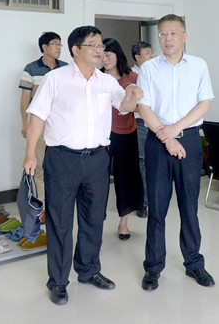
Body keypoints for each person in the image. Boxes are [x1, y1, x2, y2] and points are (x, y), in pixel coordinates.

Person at [22, 26, 143, 305]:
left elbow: (124, 106)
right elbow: (37, 117)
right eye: (93, 45)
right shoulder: (55, 79)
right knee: (60, 222)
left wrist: (133, 94)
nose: (100, 50)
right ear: (76, 50)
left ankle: (88, 271)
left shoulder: (106, 82)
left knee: (93, 219)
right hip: (62, 159)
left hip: (98, 159)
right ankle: (58, 281)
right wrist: (30, 154)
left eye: (101, 45)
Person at [137, 14, 215, 291]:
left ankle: (194, 264)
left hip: (189, 142)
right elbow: (143, 107)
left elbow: (204, 104)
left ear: (184, 36)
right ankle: (153, 267)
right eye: (162, 34)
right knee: (156, 209)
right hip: (158, 144)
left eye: (173, 33)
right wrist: (167, 137)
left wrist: (176, 130)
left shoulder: (198, 65)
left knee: (189, 207)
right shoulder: (148, 68)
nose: (167, 39)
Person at [102, 38, 145, 240]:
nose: (104, 59)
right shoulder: (97, 78)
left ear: (117, 55)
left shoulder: (132, 77)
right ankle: (96, 221)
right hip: (103, 136)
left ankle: (124, 223)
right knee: (99, 180)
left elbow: (143, 106)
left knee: (125, 179)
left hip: (127, 133)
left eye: (108, 54)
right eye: (101, 55)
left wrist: (129, 106)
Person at [19, 32, 67, 205]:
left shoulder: (66, 68)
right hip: (39, 122)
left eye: (60, 44)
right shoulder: (31, 69)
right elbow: (25, 99)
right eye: (55, 44)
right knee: (38, 165)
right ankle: (42, 205)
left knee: (61, 166)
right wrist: (25, 123)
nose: (58, 48)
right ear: (44, 47)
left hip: (61, 124)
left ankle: (58, 203)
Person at [130, 41, 155, 218]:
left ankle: (154, 199)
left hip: (157, 124)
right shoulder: (131, 76)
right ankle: (143, 203)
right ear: (137, 57)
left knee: (155, 163)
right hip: (139, 125)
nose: (152, 56)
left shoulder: (156, 72)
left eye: (152, 53)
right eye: (147, 54)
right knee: (142, 164)